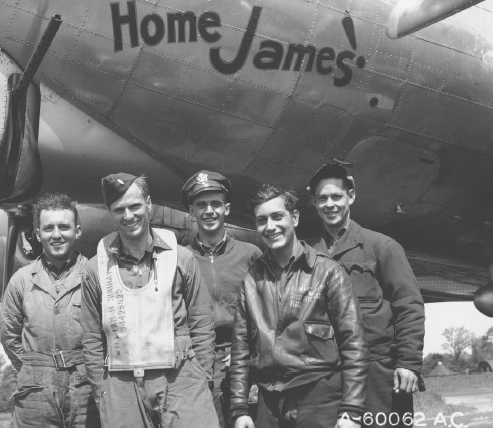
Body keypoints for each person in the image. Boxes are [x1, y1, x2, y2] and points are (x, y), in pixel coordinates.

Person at [81, 173, 219, 428]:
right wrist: (102, 389)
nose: (129, 216)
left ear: (148, 204)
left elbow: (201, 322)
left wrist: (202, 377)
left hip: (180, 377)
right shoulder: (94, 268)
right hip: (121, 384)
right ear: (111, 213)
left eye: (135, 206)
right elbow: (91, 337)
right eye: (119, 209)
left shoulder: (182, 258)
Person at [230, 184, 368, 428]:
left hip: (319, 394)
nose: (270, 227)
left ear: (294, 218)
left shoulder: (328, 273)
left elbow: (354, 344)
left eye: (277, 216)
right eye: (262, 220)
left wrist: (352, 410)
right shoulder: (251, 280)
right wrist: (240, 408)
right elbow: (240, 350)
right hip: (269, 400)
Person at [308, 164, 425, 426]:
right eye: (323, 198)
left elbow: (409, 306)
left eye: (336, 196)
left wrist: (408, 362)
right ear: (313, 202)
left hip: (379, 373)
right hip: (330, 376)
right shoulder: (310, 257)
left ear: (350, 196)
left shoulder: (383, 247)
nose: (330, 204)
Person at [0, 193, 100, 428]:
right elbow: (9, 336)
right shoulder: (21, 281)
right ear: (37, 234)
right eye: (48, 228)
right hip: (35, 393)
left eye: (64, 227)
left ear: (77, 231)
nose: (56, 235)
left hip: (86, 389)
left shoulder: (96, 275)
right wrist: (34, 368)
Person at [181, 170, 262, 428]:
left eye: (216, 204)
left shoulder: (251, 255)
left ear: (227, 209)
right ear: (191, 212)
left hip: (243, 360)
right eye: (201, 205)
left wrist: (251, 350)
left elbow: (270, 311)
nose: (209, 211)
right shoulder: (181, 259)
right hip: (198, 361)